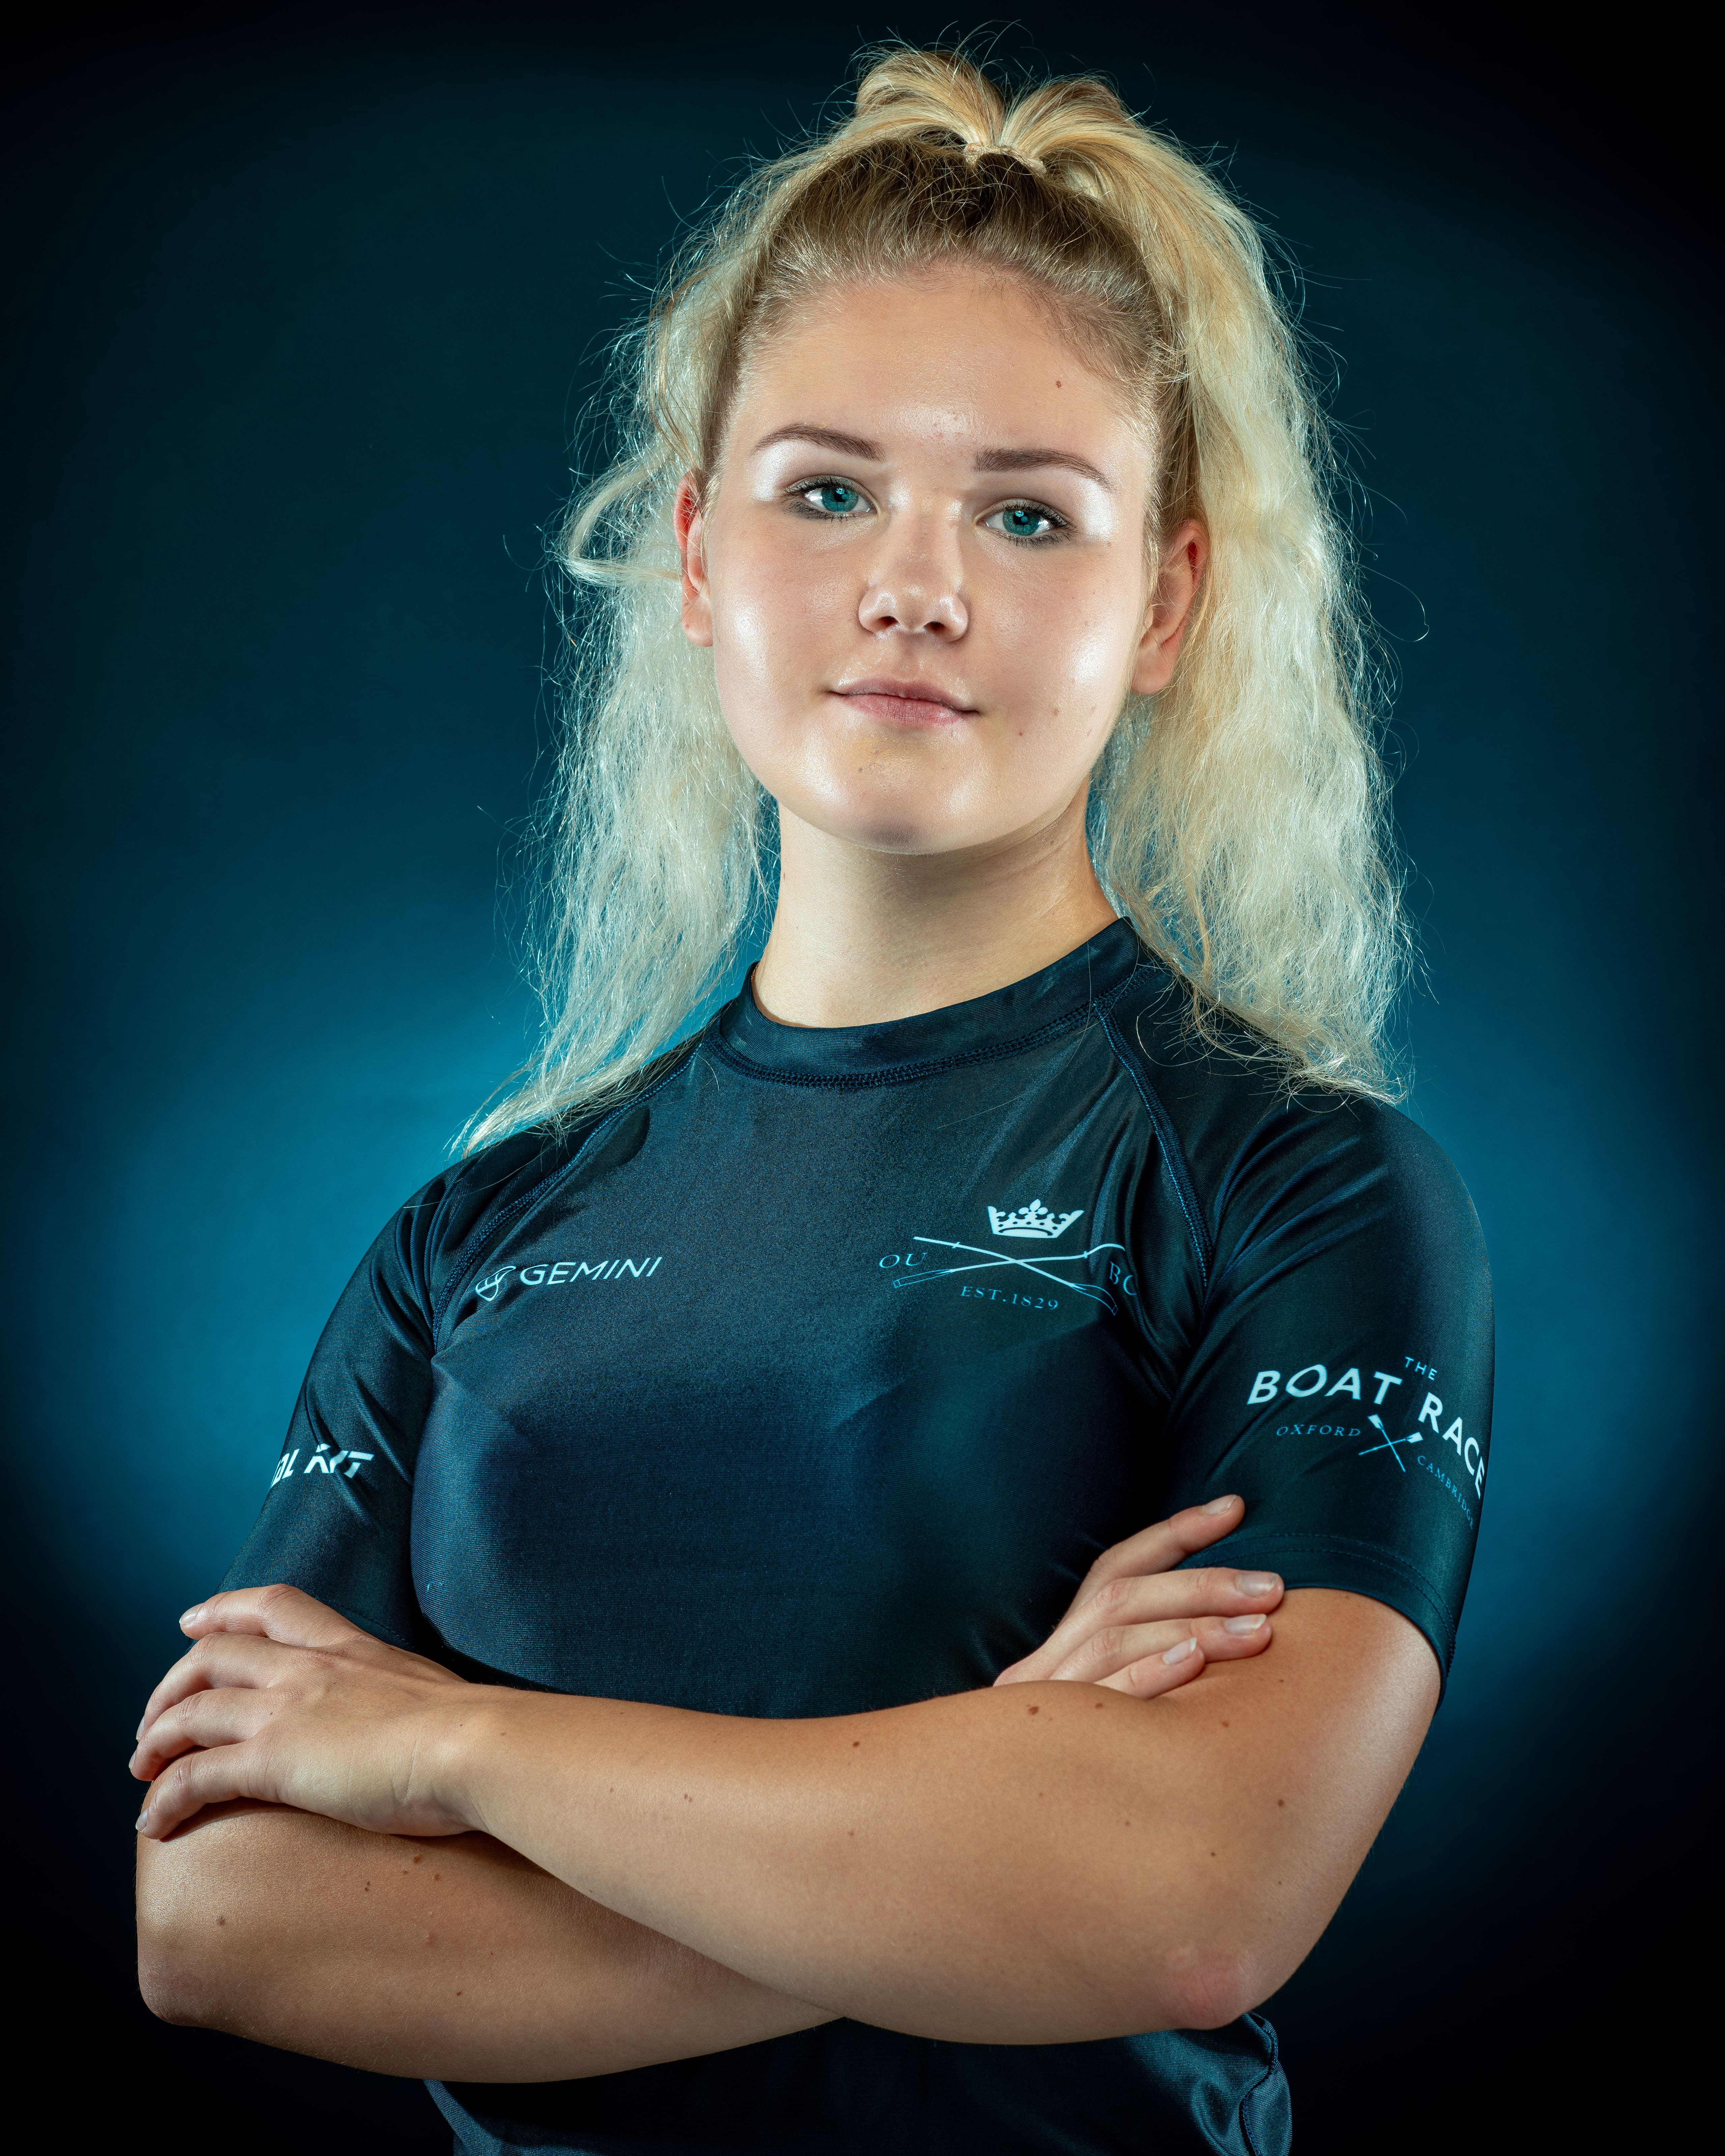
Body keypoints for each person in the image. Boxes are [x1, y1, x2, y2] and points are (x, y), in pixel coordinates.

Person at [132, 46, 1493, 2156]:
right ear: (695, 555)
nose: (913, 586)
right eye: (827, 491)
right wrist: (996, 1799)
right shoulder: (475, 1237)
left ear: (1166, 603)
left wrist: (456, 1755)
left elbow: (1194, 1903)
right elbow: (219, 1922)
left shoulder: (1306, 1192)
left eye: (1028, 514)